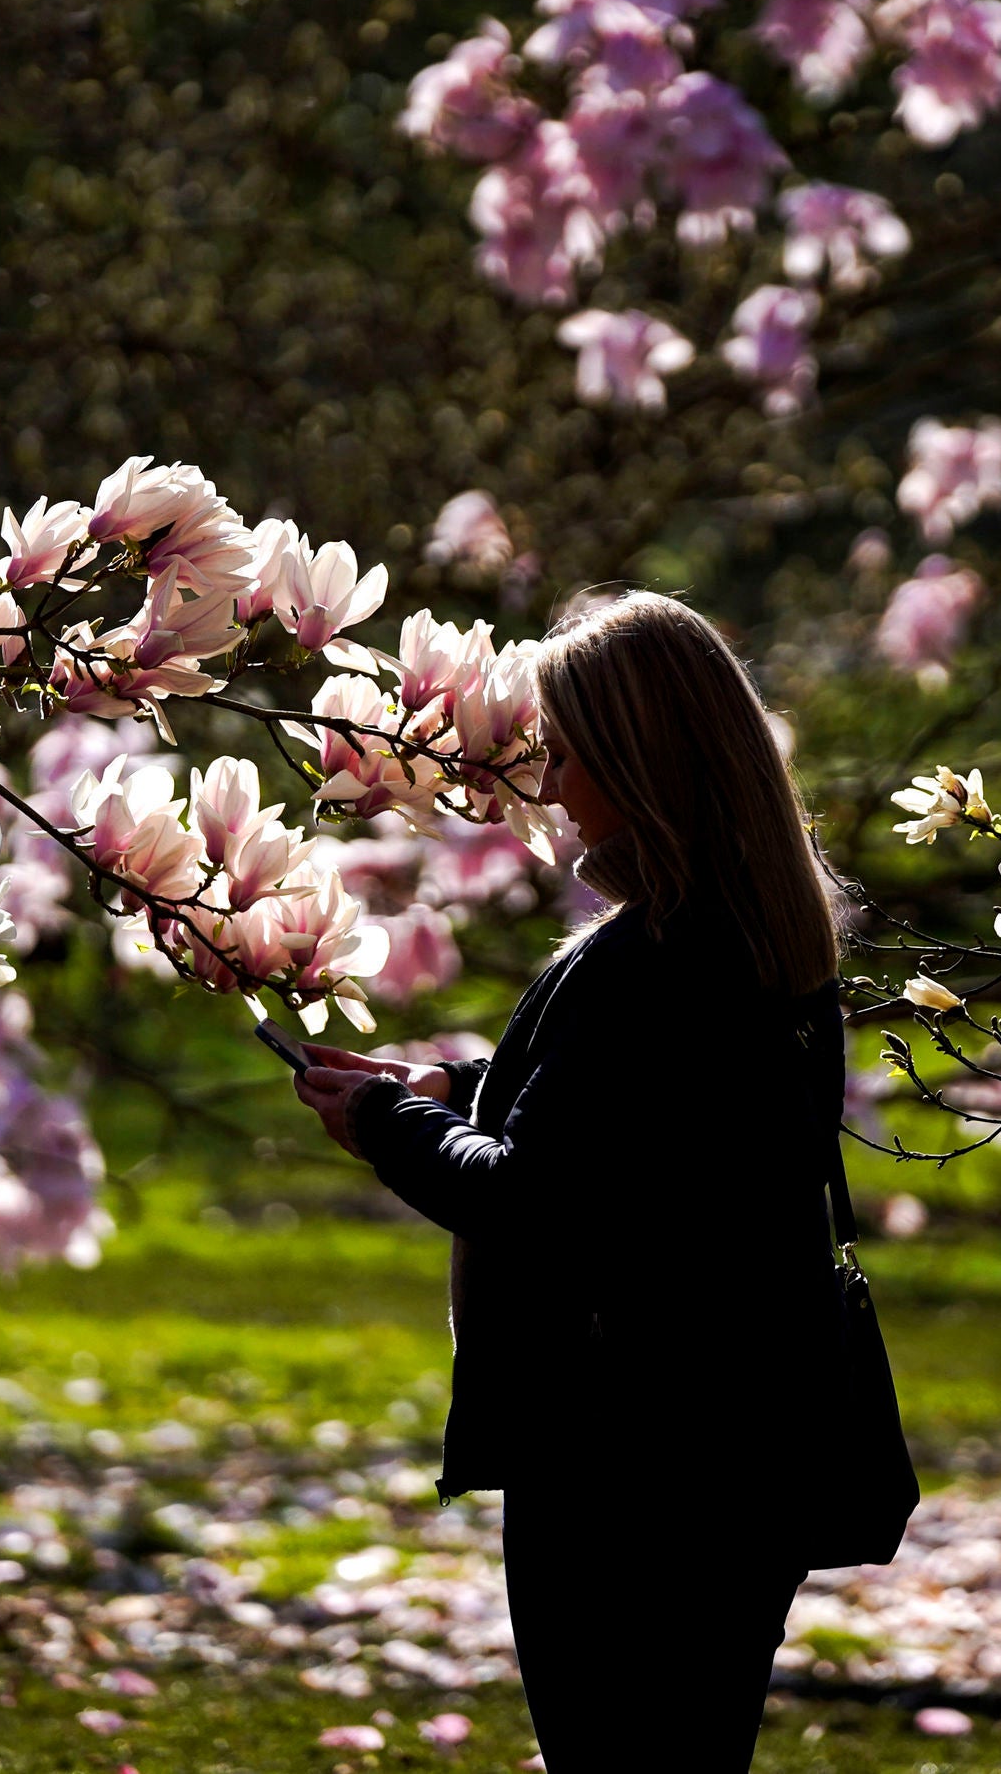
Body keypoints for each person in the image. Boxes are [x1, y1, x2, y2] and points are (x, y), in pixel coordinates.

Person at [291, 590, 865, 1773]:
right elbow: (622, 1127)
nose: (546, 785)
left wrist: (391, 1121)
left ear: (634, 757)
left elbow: (534, 1200)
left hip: (624, 1460)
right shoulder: (759, 940)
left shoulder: (649, 961)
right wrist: (451, 1084)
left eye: (565, 753)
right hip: (738, 1443)